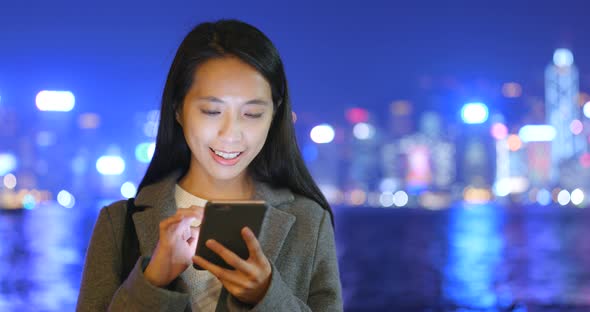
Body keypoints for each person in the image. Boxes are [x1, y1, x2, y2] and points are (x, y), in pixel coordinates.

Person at [76, 19, 343, 311]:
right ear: (178, 109)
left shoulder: (309, 221)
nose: (230, 134)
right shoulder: (118, 224)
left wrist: (266, 295)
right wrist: (152, 281)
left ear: (274, 116)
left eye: (252, 114)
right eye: (212, 111)